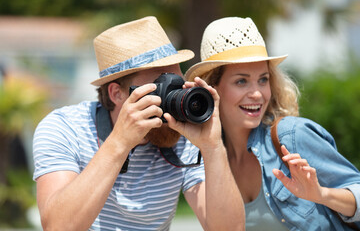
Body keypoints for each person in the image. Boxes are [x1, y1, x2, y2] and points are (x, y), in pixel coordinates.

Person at [32, 16, 245, 231]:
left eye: (178, 84)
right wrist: (120, 143)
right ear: (117, 93)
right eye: (161, 86)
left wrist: (213, 147)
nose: (174, 96)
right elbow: (58, 227)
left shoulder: (183, 133)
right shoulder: (66, 129)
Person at [185, 16, 360, 230]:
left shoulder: (292, 135)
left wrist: (322, 195)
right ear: (213, 88)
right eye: (241, 81)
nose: (257, 93)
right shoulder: (207, 158)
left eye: (263, 79)